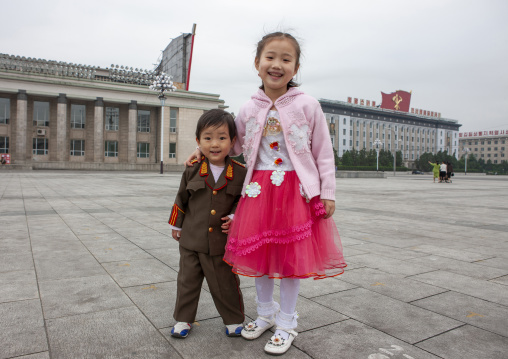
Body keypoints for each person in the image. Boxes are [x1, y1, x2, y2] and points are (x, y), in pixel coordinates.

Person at [185, 32, 346, 355]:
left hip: (295, 193)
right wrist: (203, 152)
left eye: (286, 59)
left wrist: (326, 192)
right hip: (258, 192)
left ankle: (287, 323)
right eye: (270, 57)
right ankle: (266, 315)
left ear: (296, 67)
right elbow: (234, 146)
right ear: (257, 64)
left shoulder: (308, 104)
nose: (277, 65)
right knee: (258, 258)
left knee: (289, 262)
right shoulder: (247, 108)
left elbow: (323, 153)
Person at [168, 109, 246, 339]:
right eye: (208, 138)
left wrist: (235, 217)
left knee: (225, 284)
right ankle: (183, 320)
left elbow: (244, 200)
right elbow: (181, 197)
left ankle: (234, 320)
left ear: (232, 142)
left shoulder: (240, 173)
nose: (215, 144)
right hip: (191, 240)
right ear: (198, 141)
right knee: (187, 282)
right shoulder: (193, 169)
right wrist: (177, 225)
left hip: (221, 243)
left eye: (222, 138)